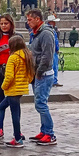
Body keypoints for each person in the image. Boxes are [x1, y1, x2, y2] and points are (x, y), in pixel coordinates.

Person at [0, 34, 35, 148]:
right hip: (21, 89)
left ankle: (15, 138)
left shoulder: (13, 58)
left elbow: (9, 76)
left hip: (12, 90)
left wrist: (4, 86)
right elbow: (31, 74)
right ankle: (2, 131)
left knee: (10, 112)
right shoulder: (27, 56)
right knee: (6, 109)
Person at [26, 8, 57, 144]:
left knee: (41, 104)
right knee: (39, 103)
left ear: (37, 19)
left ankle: (49, 134)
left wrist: (39, 71)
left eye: (30, 20)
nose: (28, 22)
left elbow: (47, 55)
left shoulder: (46, 34)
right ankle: (44, 131)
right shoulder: (36, 33)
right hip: (37, 73)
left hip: (43, 74)